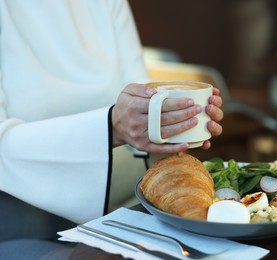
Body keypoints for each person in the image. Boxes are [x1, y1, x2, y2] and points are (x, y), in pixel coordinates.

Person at [0, 0, 223, 258]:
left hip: (122, 215)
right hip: (22, 227)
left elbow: (142, 92)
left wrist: (174, 121)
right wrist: (112, 127)